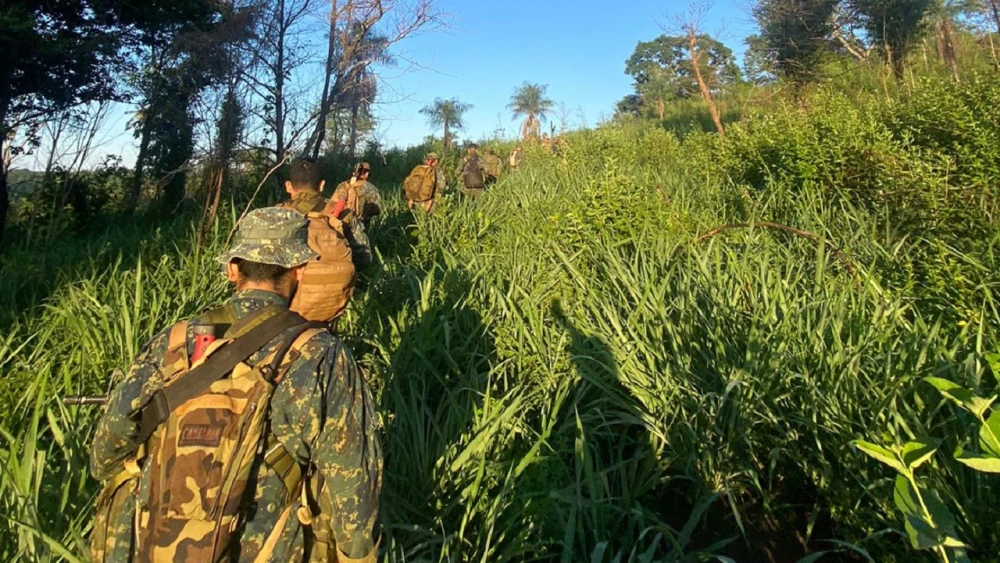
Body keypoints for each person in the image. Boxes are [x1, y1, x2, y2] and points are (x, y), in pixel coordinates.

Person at [89, 207, 382, 563]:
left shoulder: (180, 340)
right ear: (299, 271)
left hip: (152, 546)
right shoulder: (318, 353)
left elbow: (105, 454)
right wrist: (358, 555)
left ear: (232, 270)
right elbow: (353, 484)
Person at [281, 158, 372, 267]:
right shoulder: (343, 213)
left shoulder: (272, 215)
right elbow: (364, 258)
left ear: (288, 186)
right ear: (322, 185)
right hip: (332, 281)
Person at [332, 162, 382, 228]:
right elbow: (378, 210)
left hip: (336, 223)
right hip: (356, 226)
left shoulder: (342, 185)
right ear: (367, 173)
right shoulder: (370, 188)